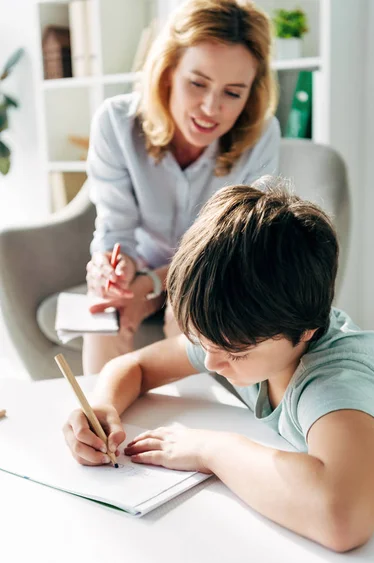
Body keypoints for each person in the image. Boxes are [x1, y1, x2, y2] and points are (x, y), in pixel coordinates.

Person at [64, 176, 374, 551]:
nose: (210, 361)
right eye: (201, 342)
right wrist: (102, 405)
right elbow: (137, 366)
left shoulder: (339, 381)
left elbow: (344, 519)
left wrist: (210, 450)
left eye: (234, 353)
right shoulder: (241, 333)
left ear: (306, 330)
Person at [84, 0, 280, 374]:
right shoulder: (116, 122)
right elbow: (114, 232)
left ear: (250, 94)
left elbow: (238, 249)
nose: (210, 108)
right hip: (141, 266)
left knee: (189, 313)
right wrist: (113, 269)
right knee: (103, 308)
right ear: (168, 72)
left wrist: (152, 286)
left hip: (214, 271)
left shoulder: (261, 135)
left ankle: (185, 431)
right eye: (197, 83)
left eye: (233, 93)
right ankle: (100, 422)